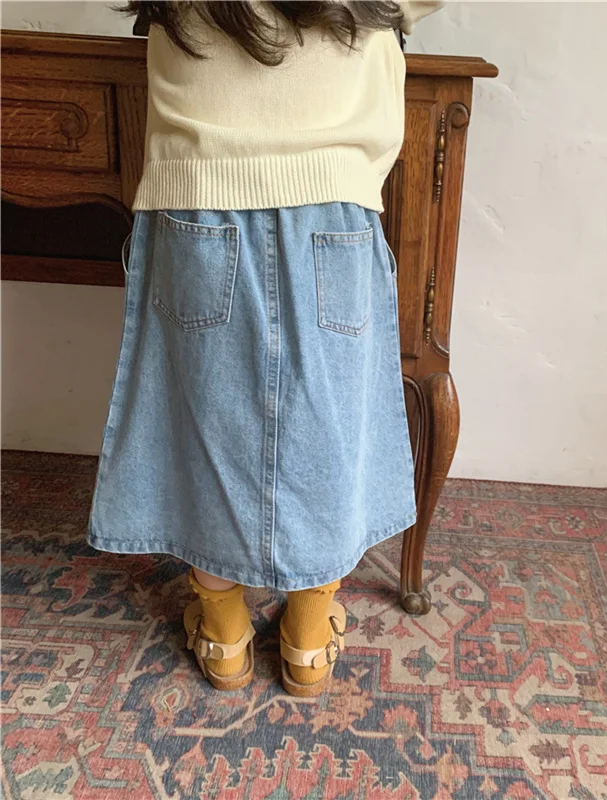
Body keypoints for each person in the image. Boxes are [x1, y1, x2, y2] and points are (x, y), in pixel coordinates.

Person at [88, 0, 443, 696]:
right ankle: (308, 635)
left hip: (196, 199)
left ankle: (223, 632)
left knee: (203, 424)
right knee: (329, 425)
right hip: (334, 205)